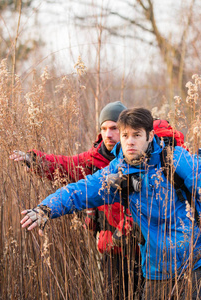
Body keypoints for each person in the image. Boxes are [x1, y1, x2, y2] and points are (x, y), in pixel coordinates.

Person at [20, 107, 201, 299]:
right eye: (126, 135)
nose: (130, 141)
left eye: (137, 135)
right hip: (156, 269)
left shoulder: (174, 159)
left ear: (150, 136)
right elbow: (78, 192)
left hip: (197, 261)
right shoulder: (116, 171)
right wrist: (45, 209)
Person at [11, 101, 142, 299]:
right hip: (113, 253)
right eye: (104, 128)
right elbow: (66, 166)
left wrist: (119, 236)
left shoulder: (140, 159)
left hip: (143, 250)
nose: (108, 134)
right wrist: (35, 160)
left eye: (114, 128)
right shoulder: (95, 159)